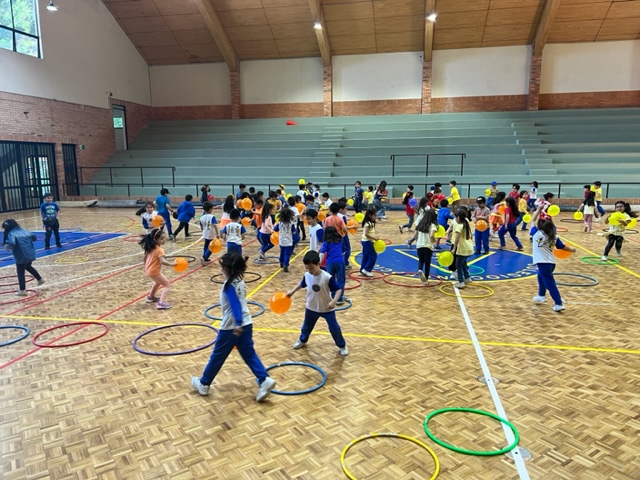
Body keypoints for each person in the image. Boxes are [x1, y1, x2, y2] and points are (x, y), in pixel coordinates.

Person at [191, 253, 277, 401]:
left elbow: (235, 304)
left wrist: (237, 323)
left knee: (218, 355)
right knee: (249, 354)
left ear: (228, 269)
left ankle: (204, 384)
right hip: (247, 323)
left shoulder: (228, 285)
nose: (221, 270)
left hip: (231, 327)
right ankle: (264, 380)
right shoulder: (240, 281)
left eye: (222, 267)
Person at [286, 250, 348, 356]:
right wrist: (292, 291)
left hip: (327, 308)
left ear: (319, 264)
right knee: (306, 327)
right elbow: (302, 284)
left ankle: (342, 346)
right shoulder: (307, 275)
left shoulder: (327, 277)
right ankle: (302, 340)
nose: (309, 270)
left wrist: (334, 301)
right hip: (311, 307)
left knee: (334, 328)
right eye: (306, 268)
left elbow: (338, 290)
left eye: (311, 268)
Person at [532, 218, 576, 312]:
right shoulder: (554, 236)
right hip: (551, 264)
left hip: (543, 264)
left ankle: (558, 304)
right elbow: (562, 247)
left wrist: (538, 210)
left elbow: (532, 220)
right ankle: (541, 296)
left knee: (550, 284)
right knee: (540, 275)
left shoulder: (536, 233)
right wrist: (572, 249)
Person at [2, 219, 44, 296]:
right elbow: (34, 238)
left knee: (20, 272)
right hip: (31, 253)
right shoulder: (25, 230)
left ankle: (22, 290)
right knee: (28, 266)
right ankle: (39, 279)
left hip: (21, 255)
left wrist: (7, 246)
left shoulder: (11, 233)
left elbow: (12, 242)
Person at [139, 228, 176, 309]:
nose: (164, 240)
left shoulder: (150, 247)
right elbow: (163, 261)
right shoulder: (159, 250)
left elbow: (145, 258)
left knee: (157, 282)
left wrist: (146, 265)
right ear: (155, 240)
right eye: (161, 239)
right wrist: (172, 264)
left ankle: (151, 297)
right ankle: (161, 302)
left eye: (164, 238)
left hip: (149, 270)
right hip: (154, 271)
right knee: (167, 285)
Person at [320, 226, 347, 305]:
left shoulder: (326, 243)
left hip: (330, 263)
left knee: (330, 280)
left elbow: (322, 253)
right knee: (340, 280)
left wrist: (319, 263)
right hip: (340, 262)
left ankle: (332, 297)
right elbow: (344, 251)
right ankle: (339, 298)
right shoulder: (340, 241)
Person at [410, 210, 437, 285]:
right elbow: (431, 236)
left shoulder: (420, 224)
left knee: (421, 260)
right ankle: (426, 280)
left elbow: (415, 235)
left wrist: (418, 241)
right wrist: (434, 241)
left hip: (419, 245)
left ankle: (420, 269)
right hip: (428, 246)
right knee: (427, 263)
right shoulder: (433, 225)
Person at [451, 208, 474, 288]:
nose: (455, 219)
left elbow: (457, 239)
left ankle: (461, 282)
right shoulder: (466, 223)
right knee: (463, 263)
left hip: (462, 248)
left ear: (458, 217)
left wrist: (454, 248)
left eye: (455, 217)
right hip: (468, 247)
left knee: (458, 265)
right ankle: (467, 277)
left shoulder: (459, 226)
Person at [274, 206, 296, 272]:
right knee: (287, 254)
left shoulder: (280, 223)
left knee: (282, 252)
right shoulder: (291, 223)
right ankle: (285, 265)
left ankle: (281, 262)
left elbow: (275, 229)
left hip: (281, 241)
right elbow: (294, 232)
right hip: (289, 241)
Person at [359, 207, 379, 277]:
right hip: (367, 242)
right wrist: (374, 238)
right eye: (374, 215)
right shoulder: (367, 223)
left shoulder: (371, 223)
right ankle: (367, 269)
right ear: (370, 215)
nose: (375, 217)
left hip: (366, 241)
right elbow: (366, 234)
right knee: (373, 256)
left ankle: (362, 270)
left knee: (366, 256)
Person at [199, 201, 220, 265]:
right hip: (211, 234)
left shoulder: (201, 217)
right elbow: (214, 225)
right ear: (210, 209)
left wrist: (203, 230)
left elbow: (201, 226)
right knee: (212, 247)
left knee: (206, 245)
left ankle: (204, 257)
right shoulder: (212, 216)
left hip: (205, 233)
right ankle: (204, 257)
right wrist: (217, 233)